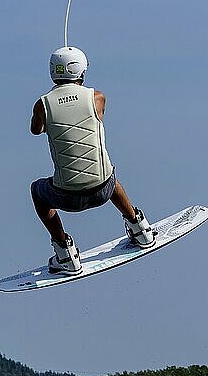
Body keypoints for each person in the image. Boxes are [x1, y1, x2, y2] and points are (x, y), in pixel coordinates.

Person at [30, 46, 155, 275]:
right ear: (82, 71)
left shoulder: (42, 105)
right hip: (104, 190)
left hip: (66, 197)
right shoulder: (97, 98)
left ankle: (65, 252)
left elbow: (35, 130)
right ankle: (140, 229)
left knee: (37, 191)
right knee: (109, 173)